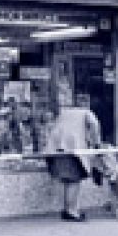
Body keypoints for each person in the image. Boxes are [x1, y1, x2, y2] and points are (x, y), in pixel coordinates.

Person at [44, 82, 101, 222]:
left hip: (57, 150)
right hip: (73, 151)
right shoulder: (86, 112)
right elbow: (95, 125)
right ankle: (72, 211)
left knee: (68, 181)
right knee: (74, 181)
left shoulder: (65, 112)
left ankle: (67, 209)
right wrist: (96, 143)